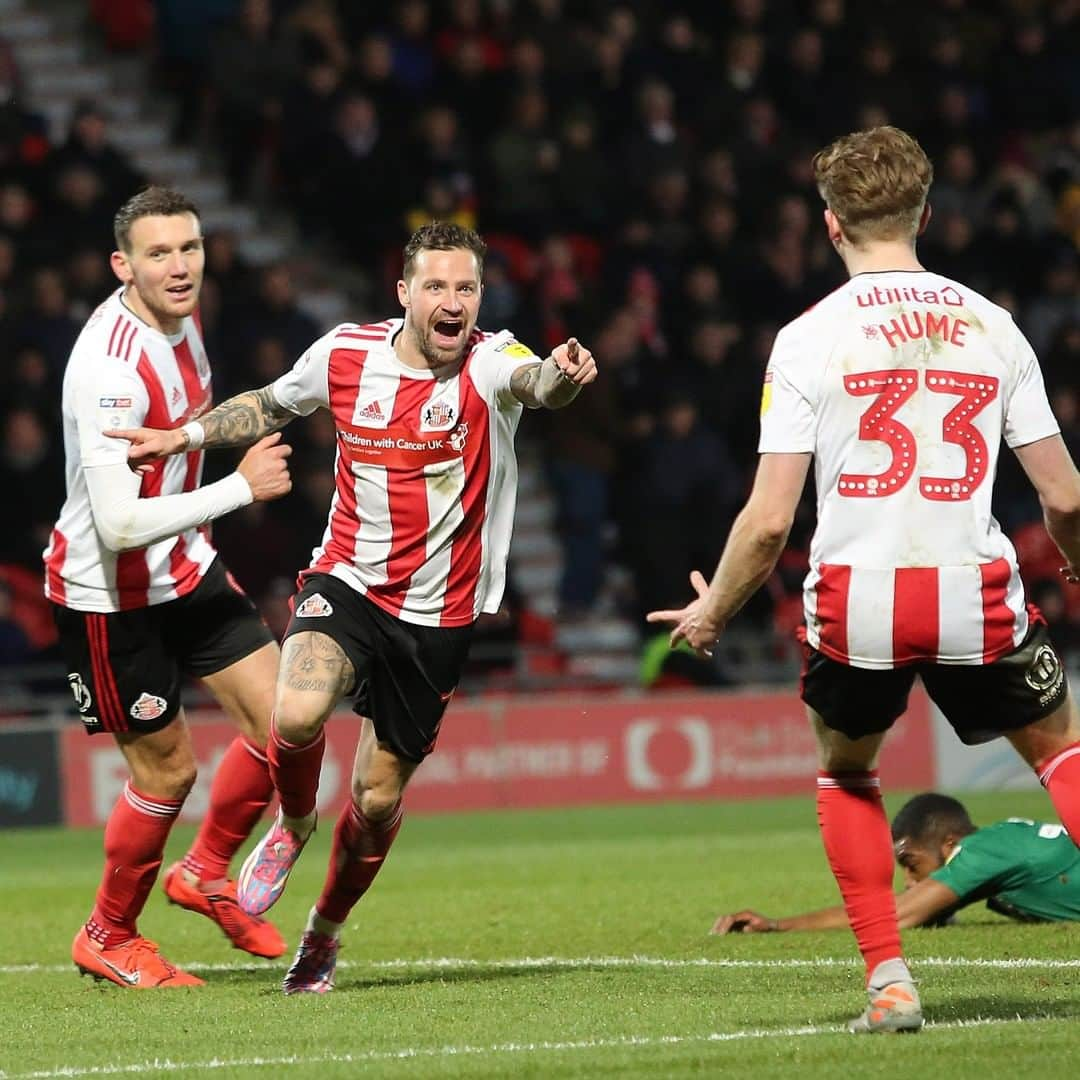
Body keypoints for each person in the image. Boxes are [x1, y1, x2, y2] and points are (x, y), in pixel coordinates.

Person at [647, 126, 1080, 1034]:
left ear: (831, 224)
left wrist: (713, 609)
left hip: (859, 601)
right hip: (973, 592)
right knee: (1062, 754)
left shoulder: (807, 338)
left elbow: (768, 522)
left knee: (847, 773)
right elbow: (1064, 495)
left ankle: (890, 985)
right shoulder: (992, 325)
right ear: (926, 213)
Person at [108, 221, 598, 995]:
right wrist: (182, 437)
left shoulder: (492, 360)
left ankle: (324, 934)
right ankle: (293, 824)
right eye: (435, 286)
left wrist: (565, 374)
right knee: (296, 714)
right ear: (403, 294)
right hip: (347, 581)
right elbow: (269, 405)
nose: (452, 302)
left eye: (465, 288)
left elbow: (540, 384)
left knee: (374, 801)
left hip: (439, 616)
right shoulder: (344, 353)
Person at [44, 186, 293, 988]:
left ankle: (206, 874)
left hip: (184, 567)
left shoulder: (183, 321)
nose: (180, 266)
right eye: (159, 253)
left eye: (189, 248)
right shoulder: (109, 365)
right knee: (167, 774)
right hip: (109, 594)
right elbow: (116, 525)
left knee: (288, 719)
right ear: (123, 265)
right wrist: (239, 489)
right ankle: (108, 934)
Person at [713, 793, 1080, 934]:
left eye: (911, 864)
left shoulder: (981, 852)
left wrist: (777, 925)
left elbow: (896, 916)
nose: (907, 880)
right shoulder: (1000, 841)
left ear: (950, 844)